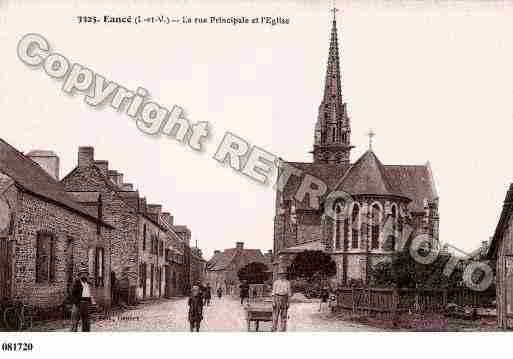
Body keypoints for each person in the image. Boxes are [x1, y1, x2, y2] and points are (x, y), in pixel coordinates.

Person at [70, 267, 95, 332]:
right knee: (74, 323)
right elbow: (72, 294)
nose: (84, 275)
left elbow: (90, 294)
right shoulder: (76, 282)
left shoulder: (88, 283)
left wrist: (91, 303)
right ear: (79, 275)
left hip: (86, 304)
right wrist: (76, 303)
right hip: (78, 304)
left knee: (86, 322)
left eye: (85, 274)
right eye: (82, 274)